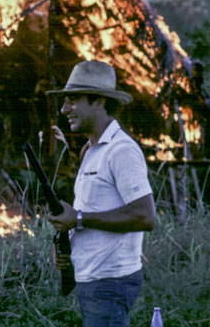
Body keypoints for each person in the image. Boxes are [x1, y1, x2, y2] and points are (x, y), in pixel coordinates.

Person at [46, 60, 156, 327]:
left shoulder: (121, 150)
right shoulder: (91, 149)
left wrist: (79, 219)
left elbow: (145, 217)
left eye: (73, 100)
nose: (64, 109)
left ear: (99, 102)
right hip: (93, 279)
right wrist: (69, 245)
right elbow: (96, 208)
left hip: (110, 281)